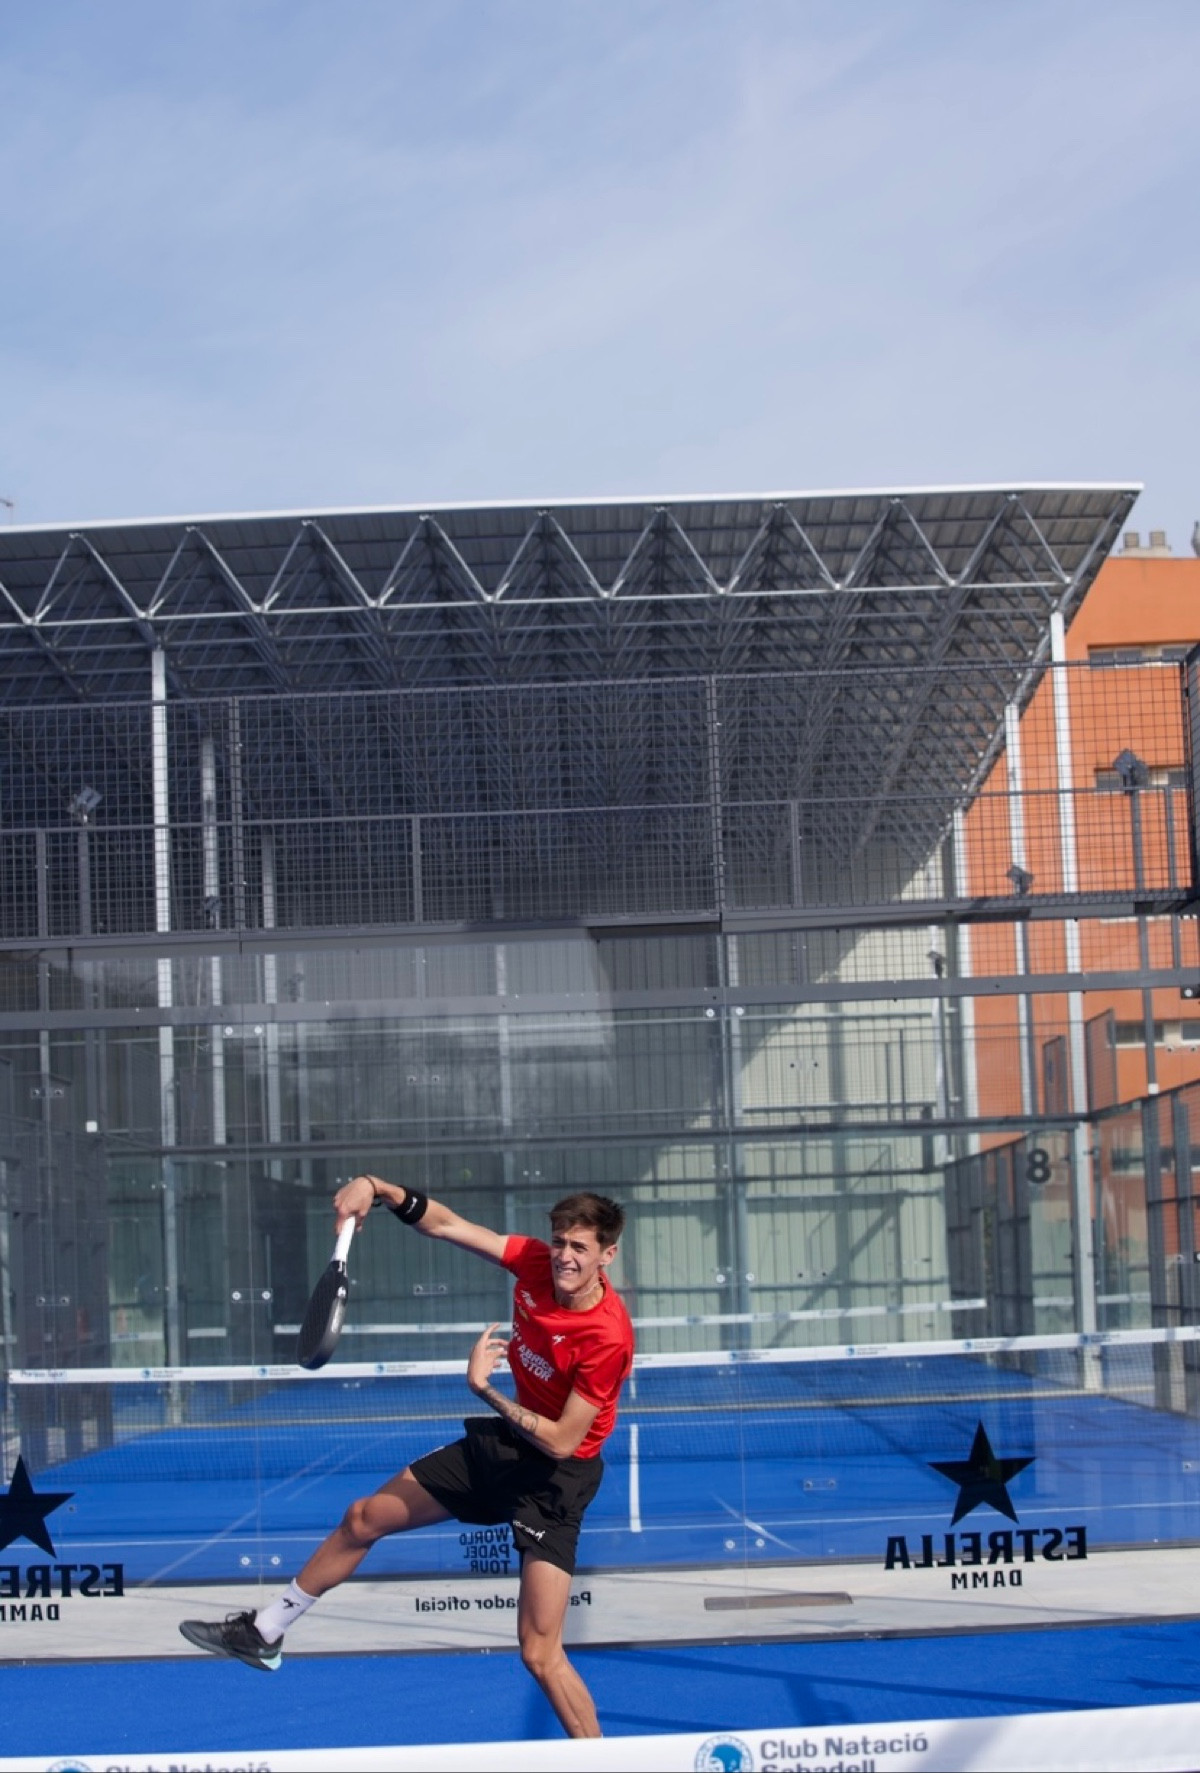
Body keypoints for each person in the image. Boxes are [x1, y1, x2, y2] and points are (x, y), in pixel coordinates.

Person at [180, 1175, 634, 1740]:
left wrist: (485, 1390)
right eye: (559, 1241)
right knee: (362, 1518)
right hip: (506, 1447)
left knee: (539, 1653)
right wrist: (380, 1188)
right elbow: (447, 1225)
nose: (564, 1256)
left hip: (555, 1479)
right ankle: (265, 1631)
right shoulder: (535, 1263)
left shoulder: (606, 1336)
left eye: (579, 1247)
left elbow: (564, 1440)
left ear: (607, 1255)